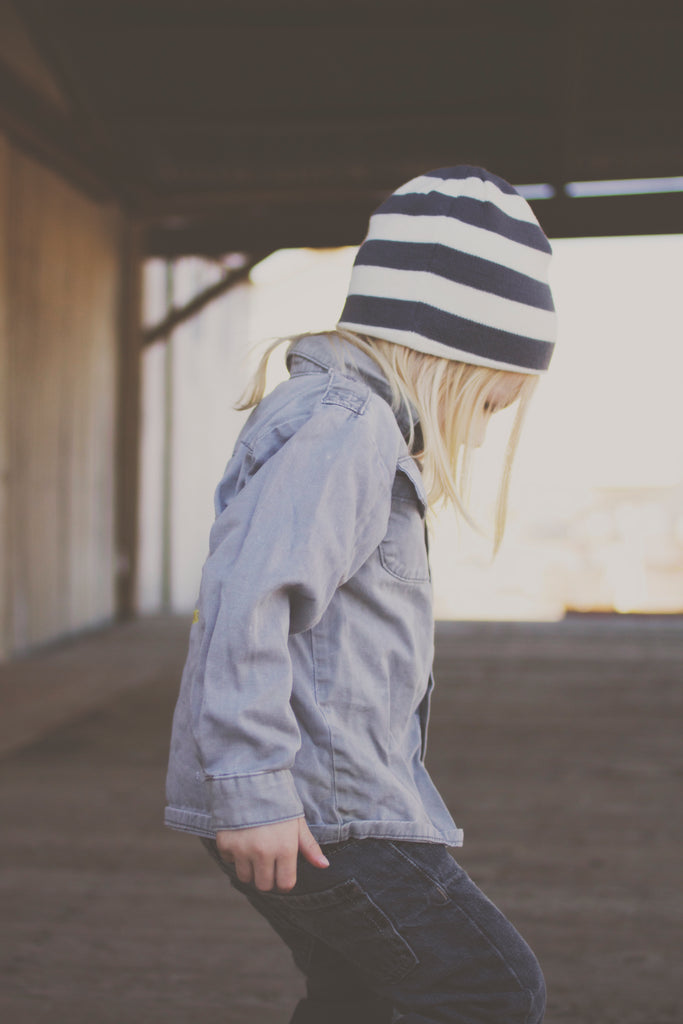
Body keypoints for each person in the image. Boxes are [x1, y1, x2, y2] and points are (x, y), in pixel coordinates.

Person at [165, 165, 557, 1023]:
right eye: (488, 404)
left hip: (324, 798)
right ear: (452, 356)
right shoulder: (348, 426)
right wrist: (251, 786)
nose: (482, 431)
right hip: (315, 806)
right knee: (489, 985)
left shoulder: (346, 424)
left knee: (359, 993)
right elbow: (249, 599)